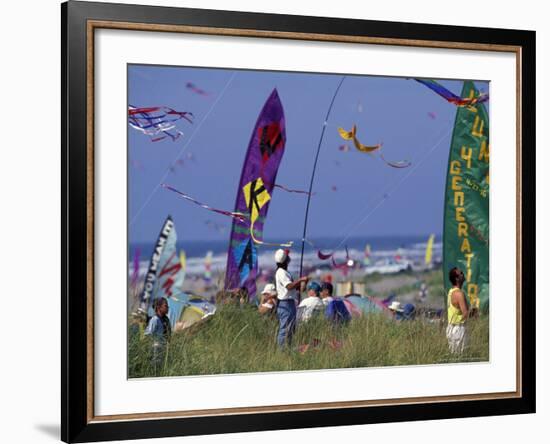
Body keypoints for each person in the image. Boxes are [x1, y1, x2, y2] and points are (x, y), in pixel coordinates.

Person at [274, 249, 308, 347]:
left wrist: (304, 282)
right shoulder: (281, 272)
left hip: (289, 303)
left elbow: (298, 289)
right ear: (286, 260)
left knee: (291, 328)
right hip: (285, 303)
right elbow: (289, 286)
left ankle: (287, 348)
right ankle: (282, 351)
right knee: (285, 329)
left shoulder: (285, 272)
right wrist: (301, 279)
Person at [446, 267, 469, 354]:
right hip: (458, 329)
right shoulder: (459, 293)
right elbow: (465, 314)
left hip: (451, 328)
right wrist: (474, 312)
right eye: (461, 273)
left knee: (455, 357)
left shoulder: (451, 291)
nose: (463, 274)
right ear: (457, 278)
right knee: (462, 357)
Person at [144, 297, 172, 370]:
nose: (168, 308)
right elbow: (148, 335)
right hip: (155, 350)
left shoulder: (166, 320)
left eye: (168, 306)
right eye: (165, 306)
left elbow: (168, 335)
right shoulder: (155, 320)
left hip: (164, 349)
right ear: (159, 307)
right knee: (155, 368)